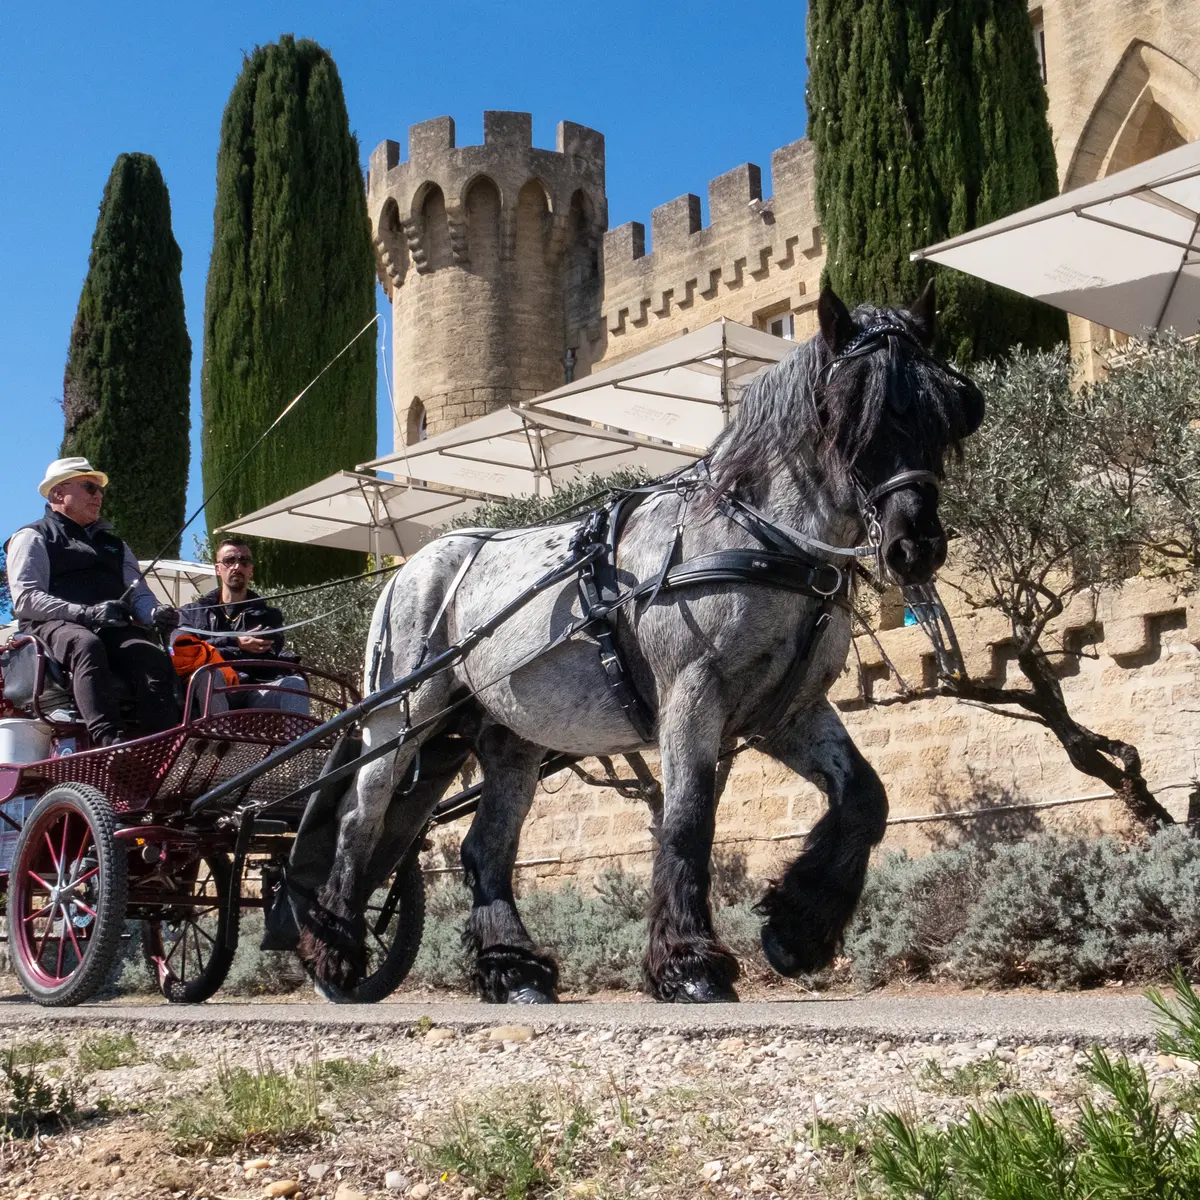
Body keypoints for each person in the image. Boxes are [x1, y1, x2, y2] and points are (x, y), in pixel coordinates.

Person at [4, 457, 182, 746]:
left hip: (111, 627)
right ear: (58, 493)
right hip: (51, 626)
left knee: (151, 656)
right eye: (89, 487)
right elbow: (26, 599)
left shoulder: (115, 545)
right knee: (86, 644)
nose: (99, 495)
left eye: (100, 490)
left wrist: (155, 613)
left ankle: (161, 746)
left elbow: (139, 592)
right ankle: (109, 742)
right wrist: (85, 613)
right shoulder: (33, 536)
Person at [178, 538, 308, 716]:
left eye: (244, 561)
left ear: (250, 571)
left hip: (255, 689)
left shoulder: (268, 616)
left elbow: (266, 654)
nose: (237, 566)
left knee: (295, 684)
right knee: (210, 674)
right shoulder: (191, 613)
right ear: (218, 569)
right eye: (229, 560)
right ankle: (220, 734)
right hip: (213, 689)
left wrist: (211, 649)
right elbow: (186, 652)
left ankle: (302, 736)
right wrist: (236, 642)